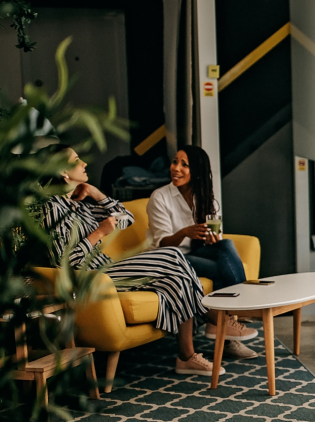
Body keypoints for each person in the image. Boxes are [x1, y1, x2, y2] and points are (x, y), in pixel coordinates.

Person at [39, 145, 222, 376]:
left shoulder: (78, 204)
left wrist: (96, 193)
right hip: (93, 276)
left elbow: (126, 217)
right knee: (173, 256)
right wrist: (100, 233)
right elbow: (63, 260)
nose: (84, 163)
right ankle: (214, 315)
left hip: (106, 268)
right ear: (63, 172)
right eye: (77, 160)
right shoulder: (52, 209)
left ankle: (186, 356)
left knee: (177, 279)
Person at [147, 145, 258, 359]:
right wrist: (185, 232)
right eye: (175, 162)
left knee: (225, 246)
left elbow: (217, 235)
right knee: (219, 269)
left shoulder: (207, 199)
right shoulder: (160, 197)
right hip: (169, 257)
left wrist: (212, 239)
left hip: (196, 254)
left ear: (197, 171)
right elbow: (162, 243)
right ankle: (227, 322)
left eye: (184, 164)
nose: (176, 168)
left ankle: (225, 323)